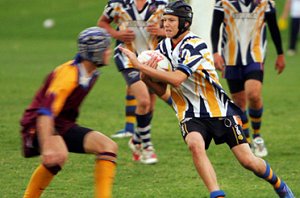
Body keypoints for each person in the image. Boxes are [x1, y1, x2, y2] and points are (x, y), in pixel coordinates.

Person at [119, 1, 295, 197]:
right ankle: (216, 194)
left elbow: (177, 79)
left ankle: (279, 185)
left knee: (248, 161)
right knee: (195, 145)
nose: (165, 24)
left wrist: (142, 67)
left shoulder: (196, 44)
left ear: (184, 23)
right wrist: (145, 77)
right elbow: (161, 91)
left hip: (219, 111)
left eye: (171, 20)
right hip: (189, 113)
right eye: (164, 20)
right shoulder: (162, 48)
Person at [20, 27, 117, 198]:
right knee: (58, 155)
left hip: (61, 123)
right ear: (96, 52)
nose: (109, 52)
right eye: (106, 48)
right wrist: (46, 145)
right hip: (38, 123)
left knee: (108, 147)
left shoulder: (91, 73)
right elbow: (45, 112)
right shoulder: (68, 75)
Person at [98, 0, 170, 164]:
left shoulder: (162, 4)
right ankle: (147, 147)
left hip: (153, 60)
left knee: (149, 106)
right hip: (126, 58)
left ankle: (136, 140)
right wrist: (116, 34)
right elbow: (102, 22)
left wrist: (161, 31)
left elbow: (175, 28)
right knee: (143, 100)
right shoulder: (118, 4)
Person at [211, 0, 286, 157]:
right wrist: (216, 52)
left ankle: (257, 136)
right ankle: (246, 141)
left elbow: (273, 26)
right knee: (239, 103)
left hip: (255, 56)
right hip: (230, 59)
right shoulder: (223, 2)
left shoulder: (266, 3)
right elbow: (215, 26)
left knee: (254, 94)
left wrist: (280, 53)